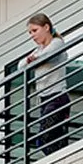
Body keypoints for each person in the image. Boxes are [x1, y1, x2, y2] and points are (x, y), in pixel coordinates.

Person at [23, 13, 70, 155]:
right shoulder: (38, 50)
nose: (32, 35)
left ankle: (61, 158)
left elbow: (48, 54)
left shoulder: (57, 43)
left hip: (57, 97)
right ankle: (61, 158)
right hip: (44, 100)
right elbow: (21, 65)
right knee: (50, 140)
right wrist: (32, 59)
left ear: (46, 27)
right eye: (30, 33)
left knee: (45, 139)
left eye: (34, 30)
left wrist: (33, 60)